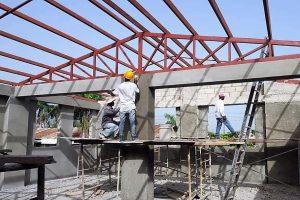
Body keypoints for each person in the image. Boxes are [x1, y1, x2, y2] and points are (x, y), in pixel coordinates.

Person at [111, 70, 139, 142]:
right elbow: (137, 91)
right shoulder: (133, 85)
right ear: (131, 78)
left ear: (125, 77)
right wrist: (136, 82)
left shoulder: (120, 86)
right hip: (131, 106)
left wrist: (110, 91)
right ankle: (134, 138)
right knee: (132, 123)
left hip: (123, 107)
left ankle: (121, 139)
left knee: (122, 123)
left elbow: (114, 94)